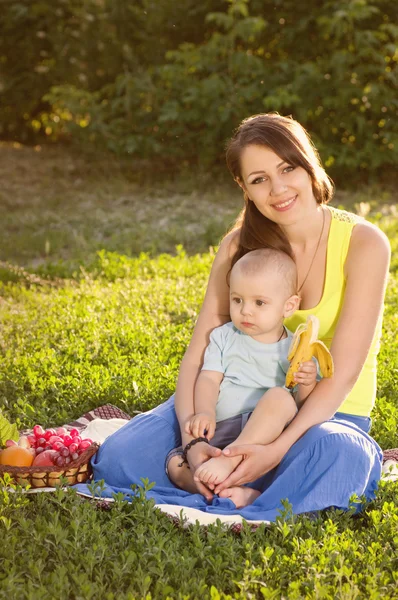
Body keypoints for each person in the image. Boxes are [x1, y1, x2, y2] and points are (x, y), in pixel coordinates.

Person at [84, 113, 390, 520]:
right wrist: (193, 444)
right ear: (244, 187)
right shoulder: (237, 247)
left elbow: (345, 373)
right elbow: (198, 354)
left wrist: (274, 451)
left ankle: (227, 485)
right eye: (259, 179)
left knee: (340, 456)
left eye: (287, 168)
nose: (278, 189)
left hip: (320, 416)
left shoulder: (364, 243)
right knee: (119, 458)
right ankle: (225, 484)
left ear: (309, 165)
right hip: (224, 409)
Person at [167, 247, 318, 508]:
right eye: (237, 300)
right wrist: (204, 412)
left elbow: (303, 404)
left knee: (280, 397)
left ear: (289, 306)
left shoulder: (295, 349)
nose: (245, 311)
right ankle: (226, 491)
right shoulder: (224, 336)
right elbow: (209, 379)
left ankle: (231, 466)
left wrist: (307, 382)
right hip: (220, 432)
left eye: (259, 303)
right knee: (174, 465)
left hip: (263, 439)